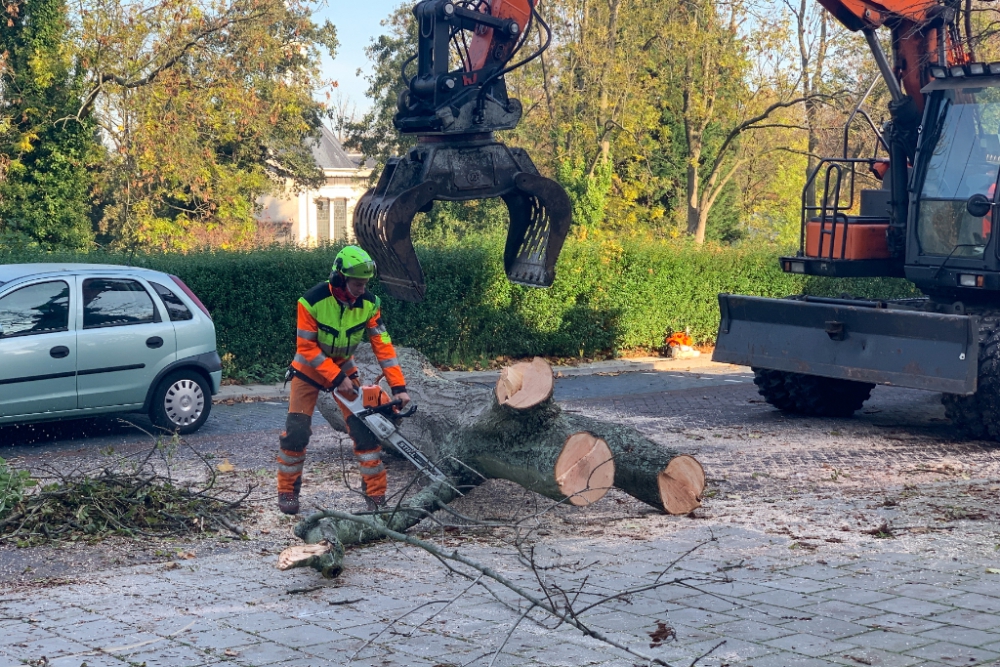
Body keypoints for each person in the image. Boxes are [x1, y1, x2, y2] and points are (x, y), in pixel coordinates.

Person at [276, 246, 410, 515]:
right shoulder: (311, 302)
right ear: (340, 279)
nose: (362, 289)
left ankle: (375, 495)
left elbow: (382, 345)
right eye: (357, 284)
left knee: (365, 429)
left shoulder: (369, 304)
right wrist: (336, 378)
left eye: (365, 284)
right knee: (297, 431)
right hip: (308, 370)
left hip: (344, 369)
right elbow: (307, 348)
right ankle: (287, 490)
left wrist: (399, 387)